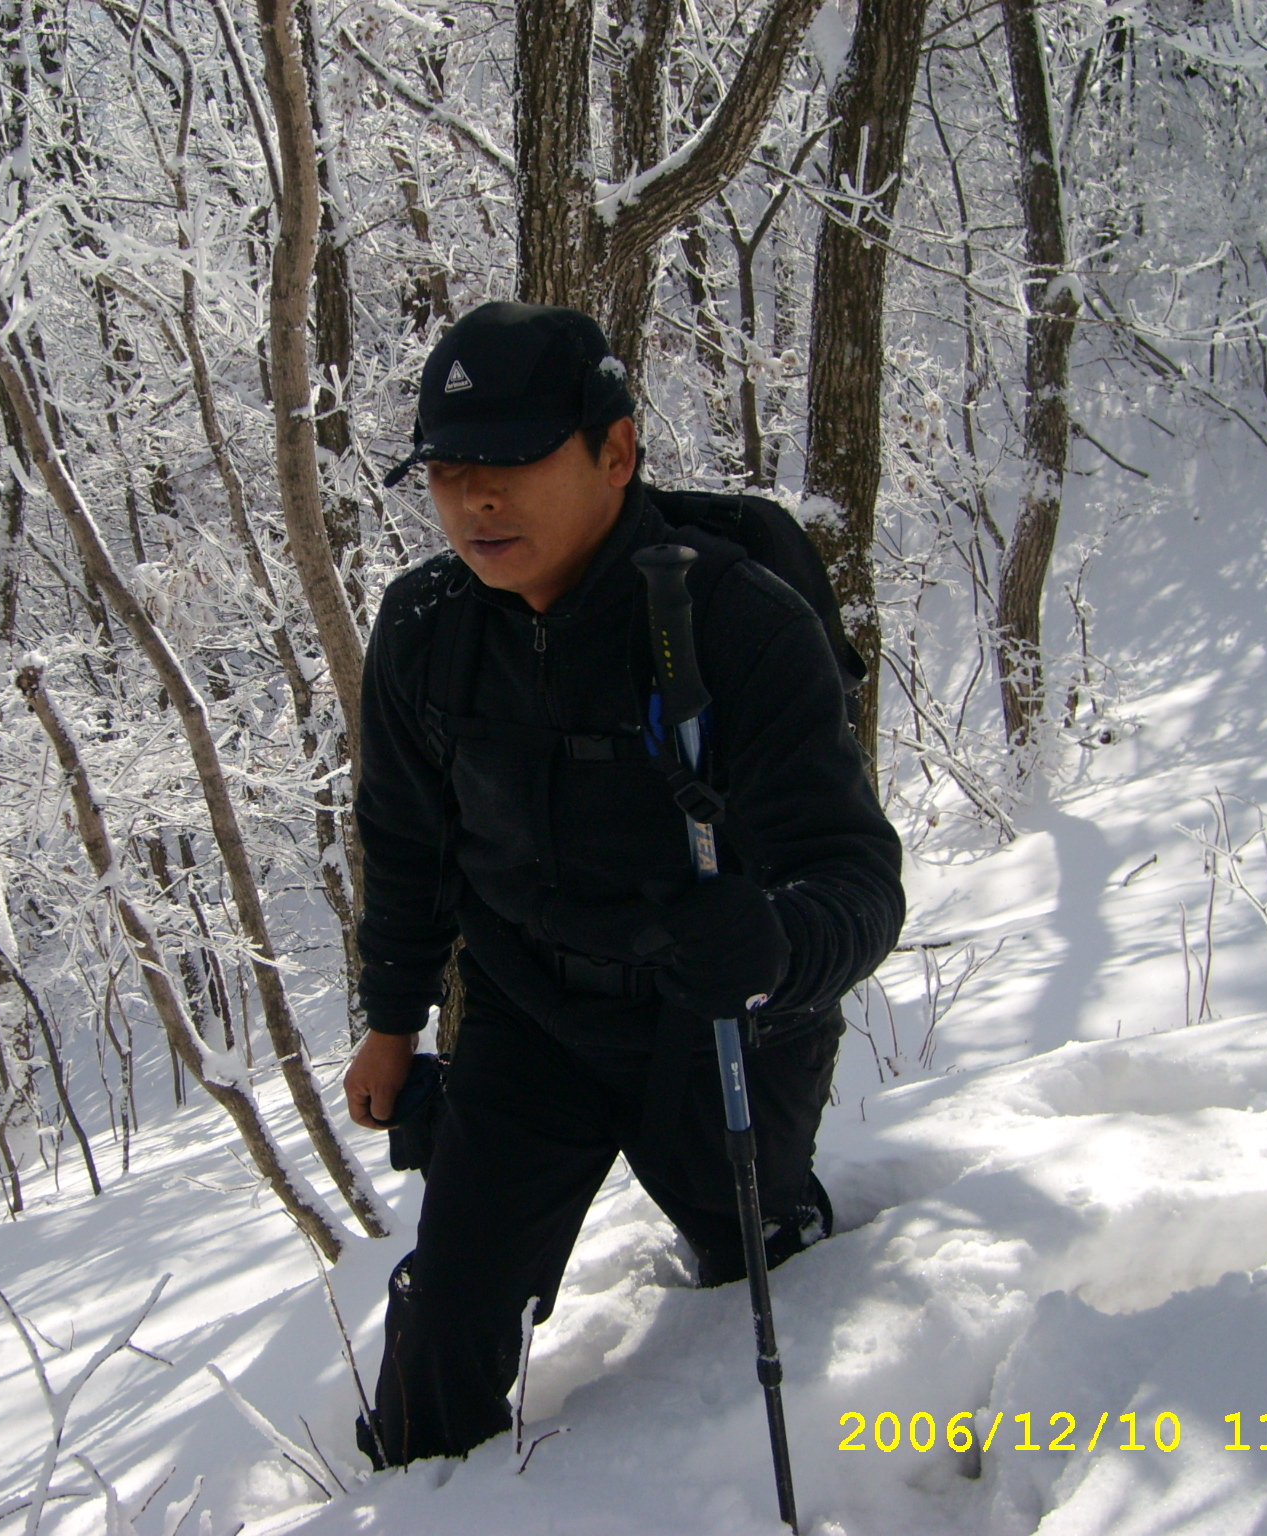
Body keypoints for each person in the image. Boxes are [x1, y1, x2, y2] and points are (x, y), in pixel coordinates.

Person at [344, 301, 905, 1467]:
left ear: (615, 452)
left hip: (716, 1020)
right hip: (528, 1016)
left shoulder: (735, 623)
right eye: (445, 472)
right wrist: (391, 1022)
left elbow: (855, 878)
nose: (474, 500)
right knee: (441, 1341)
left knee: (760, 1260)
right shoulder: (425, 630)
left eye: (508, 463)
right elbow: (403, 841)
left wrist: (774, 945)